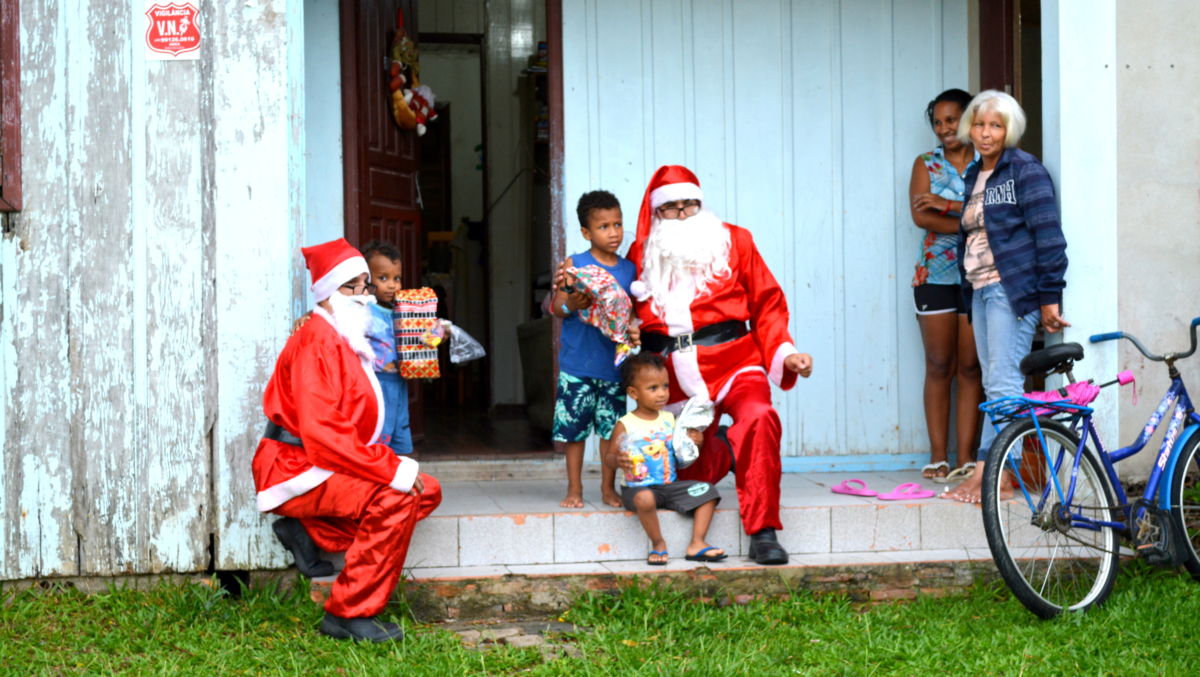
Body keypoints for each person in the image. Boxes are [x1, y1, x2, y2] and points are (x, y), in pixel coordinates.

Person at [252, 238, 441, 642]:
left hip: (324, 463)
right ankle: (348, 612)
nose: (363, 295)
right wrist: (391, 467)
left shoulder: (343, 333)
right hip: (298, 467)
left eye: (365, 285)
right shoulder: (316, 340)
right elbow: (324, 434)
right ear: (328, 292)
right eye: (351, 286)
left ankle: (311, 532)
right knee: (396, 496)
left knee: (427, 491)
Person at [626, 165, 813, 565]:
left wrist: (784, 351)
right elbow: (621, 310)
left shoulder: (735, 240)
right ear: (658, 212)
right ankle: (725, 450)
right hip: (669, 375)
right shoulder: (642, 252)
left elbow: (768, 303)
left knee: (759, 418)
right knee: (687, 476)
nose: (682, 214)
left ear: (701, 203)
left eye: (689, 205)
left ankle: (763, 531)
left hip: (734, 360)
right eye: (672, 208)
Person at [940, 91, 1069, 504]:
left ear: (1009, 129)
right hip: (979, 289)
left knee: (1002, 383)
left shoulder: (1025, 171)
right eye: (979, 124)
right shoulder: (975, 173)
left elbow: (1048, 235)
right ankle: (990, 473)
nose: (985, 133)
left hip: (1010, 291)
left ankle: (997, 477)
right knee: (995, 383)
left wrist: (1050, 297)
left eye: (995, 125)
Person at [907, 88, 984, 480]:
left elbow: (998, 212)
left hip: (979, 274)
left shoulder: (988, 162)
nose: (944, 129)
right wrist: (973, 223)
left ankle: (967, 458)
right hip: (934, 275)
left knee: (970, 367)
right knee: (939, 365)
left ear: (968, 118)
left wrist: (947, 209)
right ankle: (939, 456)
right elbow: (922, 218)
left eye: (951, 120)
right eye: (937, 122)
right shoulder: (926, 163)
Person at [549, 190, 636, 509]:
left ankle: (607, 488)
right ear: (586, 232)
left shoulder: (628, 270)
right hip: (577, 365)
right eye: (603, 226)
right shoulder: (575, 265)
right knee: (574, 432)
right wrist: (571, 301)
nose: (613, 232)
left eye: (618, 224)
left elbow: (632, 313)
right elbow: (558, 307)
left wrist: (635, 328)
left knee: (610, 431)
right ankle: (574, 488)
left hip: (612, 365)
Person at [606, 352, 725, 566]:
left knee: (708, 491)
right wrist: (618, 460)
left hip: (669, 486)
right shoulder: (626, 423)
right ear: (633, 393)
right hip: (637, 488)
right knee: (645, 499)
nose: (662, 394)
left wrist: (695, 442)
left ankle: (697, 542)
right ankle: (658, 543)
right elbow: (609, 458)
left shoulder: (671, 419)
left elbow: (682, 453)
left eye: (665, 386)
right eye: (653, 388)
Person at [361, 240, 413, 456]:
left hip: (399, 381)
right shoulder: (364, 310)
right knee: (378, 431)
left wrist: (440, 332)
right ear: (367, 279)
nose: (392, 285)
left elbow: (421, 338)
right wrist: (307, 316)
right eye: (383, 278)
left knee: (400, 428)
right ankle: (379, 475)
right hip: (375, 381)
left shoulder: (404, 312)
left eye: (396, 278)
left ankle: (401, 473)